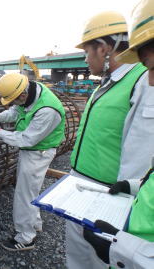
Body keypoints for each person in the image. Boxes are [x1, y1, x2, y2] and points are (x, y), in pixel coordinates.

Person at [66, 10, 151, 269]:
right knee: (79, 256)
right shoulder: (108, 83)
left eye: (86, 51)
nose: (85, 58)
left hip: (106, 196)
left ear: (103, 49)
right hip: (82, 188)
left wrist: (122, 213)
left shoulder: (143, 81)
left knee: (98, 259)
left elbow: (142, 154)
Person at [0, 73, 65, 251]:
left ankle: (26, 238)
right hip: (33, 151)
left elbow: (27, 140)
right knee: (30, 191)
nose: (14, 103)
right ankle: (34, 224)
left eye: (14, 99)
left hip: (38, 153)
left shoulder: (47, 110)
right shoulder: (31, 92)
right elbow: (16, 110)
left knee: (24, 195)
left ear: (22, 94)